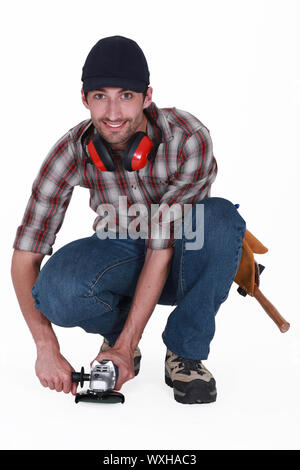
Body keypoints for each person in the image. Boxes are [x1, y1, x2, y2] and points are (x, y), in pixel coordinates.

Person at [11, 35, 246, 404]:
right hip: (121, 256)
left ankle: (185, 353)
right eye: (100, 96)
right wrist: (45, 346)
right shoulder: (69, 151)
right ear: (84, 99)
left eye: (126, 96)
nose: (113, 113)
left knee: (217, 220)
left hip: (183, 258)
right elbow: (25, 254)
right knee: (56, 291)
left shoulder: (188, 138)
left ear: (147, 97)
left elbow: (161, 245)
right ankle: (119, 340)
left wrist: (127, 345)